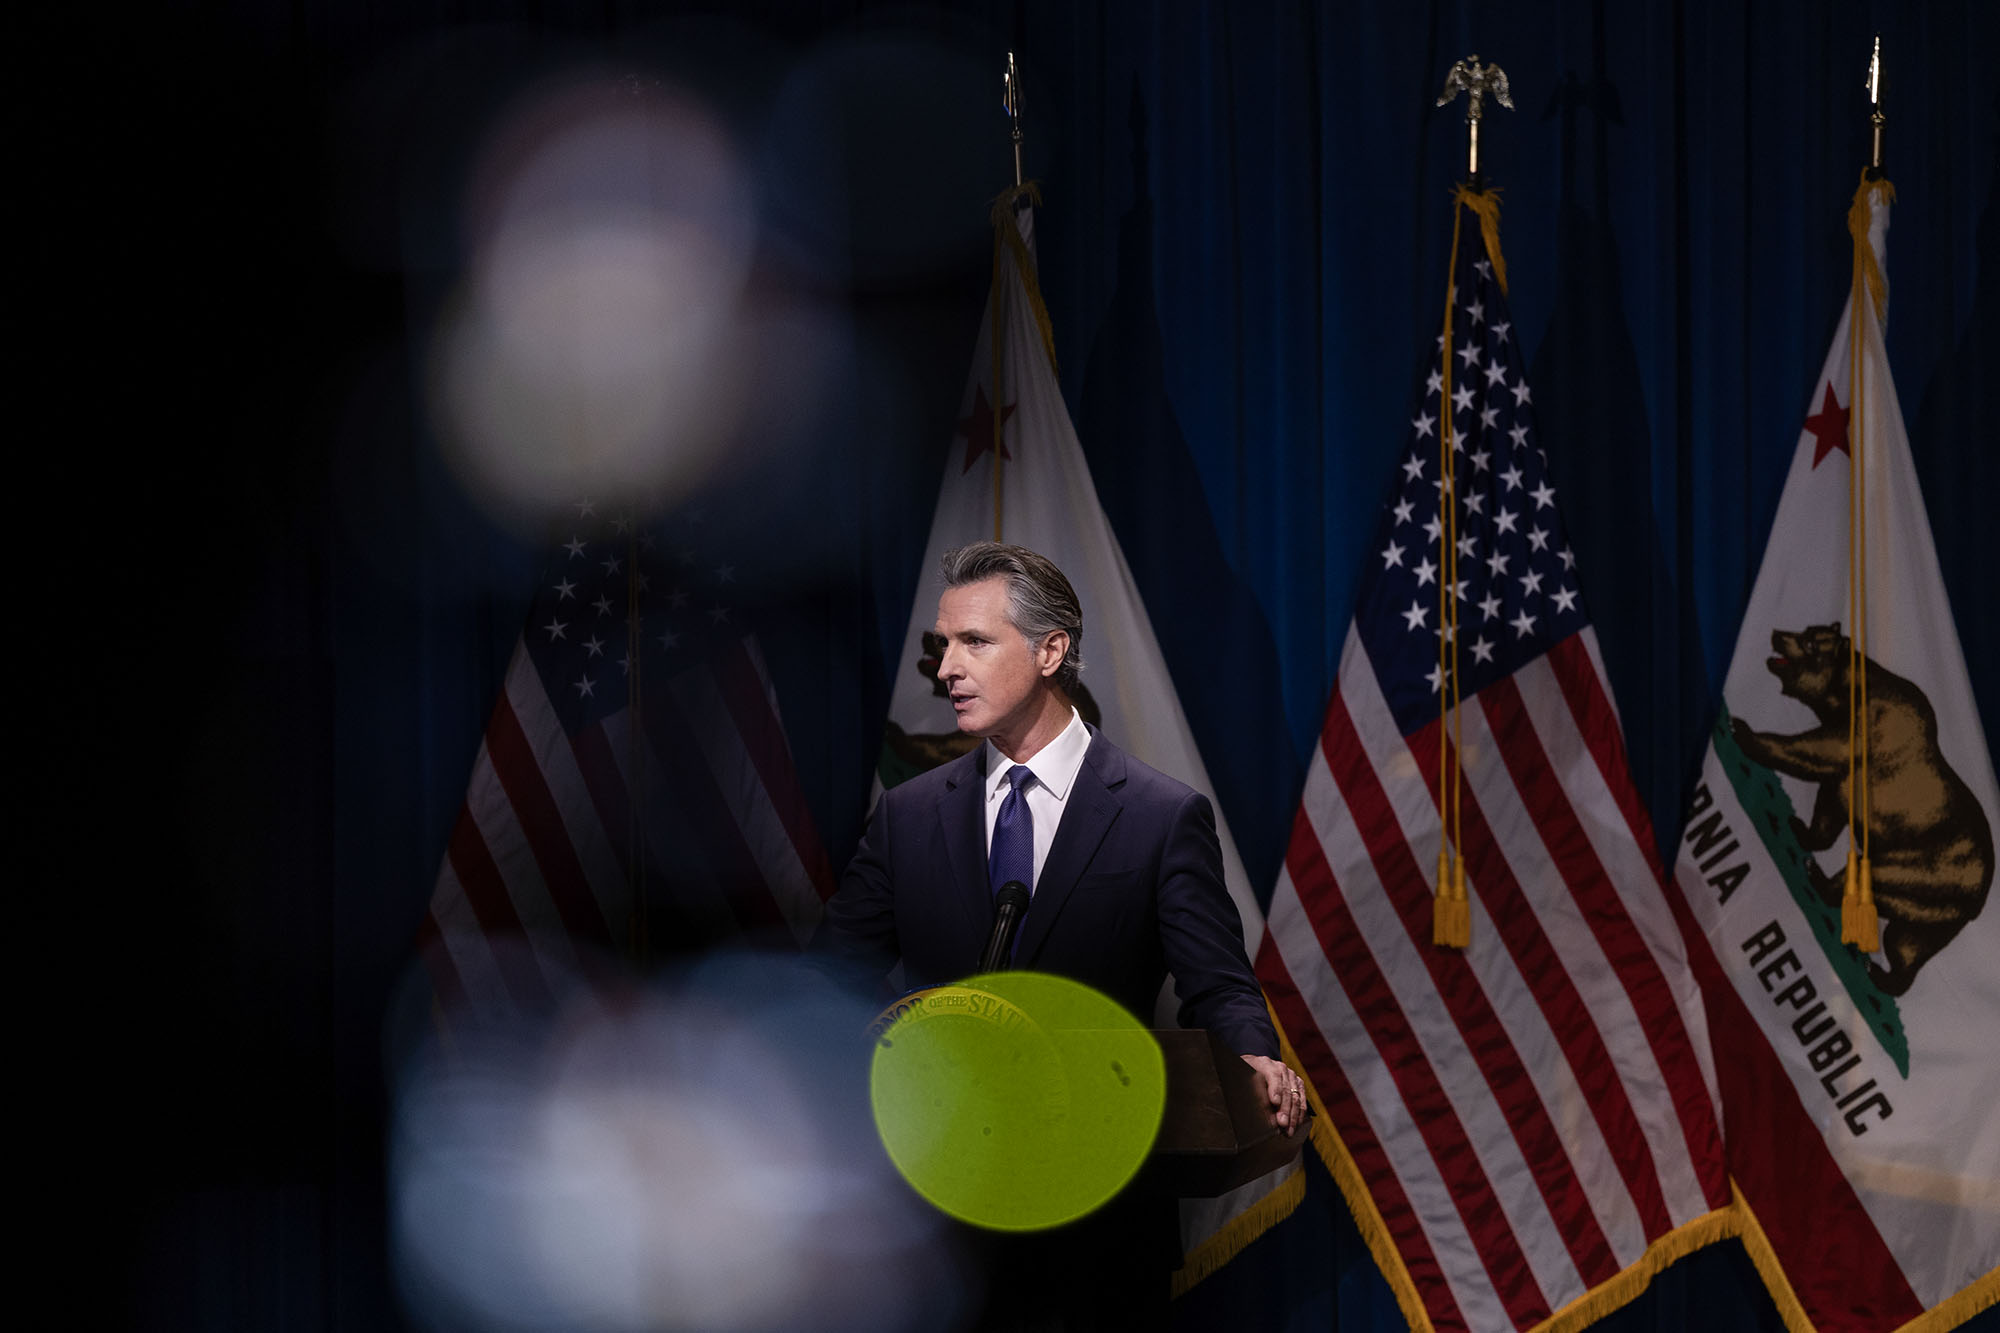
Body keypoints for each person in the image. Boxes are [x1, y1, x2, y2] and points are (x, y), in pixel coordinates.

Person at [818, 541, 1306, 1326]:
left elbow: (1216, 982)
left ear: (1051, 650)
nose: (945, 668)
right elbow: (829, 980)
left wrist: (1255, 1056)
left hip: (1098, 1235)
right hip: (934, 1233)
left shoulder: (1158, 815)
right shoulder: (907, 817)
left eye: (974, 641)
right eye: (943, 643)